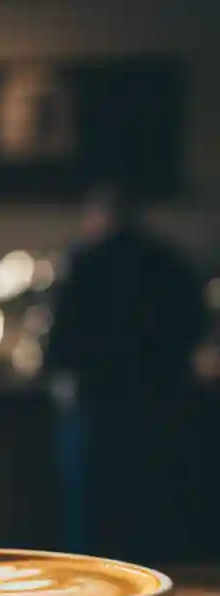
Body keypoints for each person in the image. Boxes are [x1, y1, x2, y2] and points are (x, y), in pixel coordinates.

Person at [47, 183, 207, 564]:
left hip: (96, 406)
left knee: (89, 525)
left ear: (97, 216)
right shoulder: (169, 263)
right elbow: (195, 329)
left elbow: (60, 343)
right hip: (160, 406)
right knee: (149, 521)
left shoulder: (85, 263)